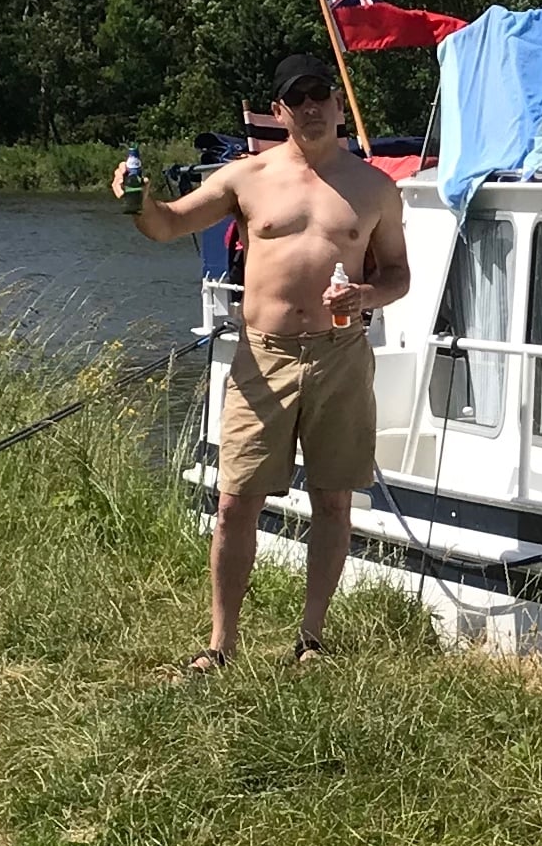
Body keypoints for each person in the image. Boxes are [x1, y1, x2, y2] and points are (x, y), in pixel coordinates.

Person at [114, 51, 410, 671]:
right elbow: (166, 226)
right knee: (234, 501)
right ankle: (220, 647)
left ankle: (312, 641)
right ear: (280, 112)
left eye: (320, 95)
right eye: (297, 99)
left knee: (334, 501)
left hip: (341, 356)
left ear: (335, 103)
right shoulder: (245, 178)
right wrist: (136, 199)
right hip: (263, 357)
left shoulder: (375, 187)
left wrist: (366, 295)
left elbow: (398, 274)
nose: (311, 107)